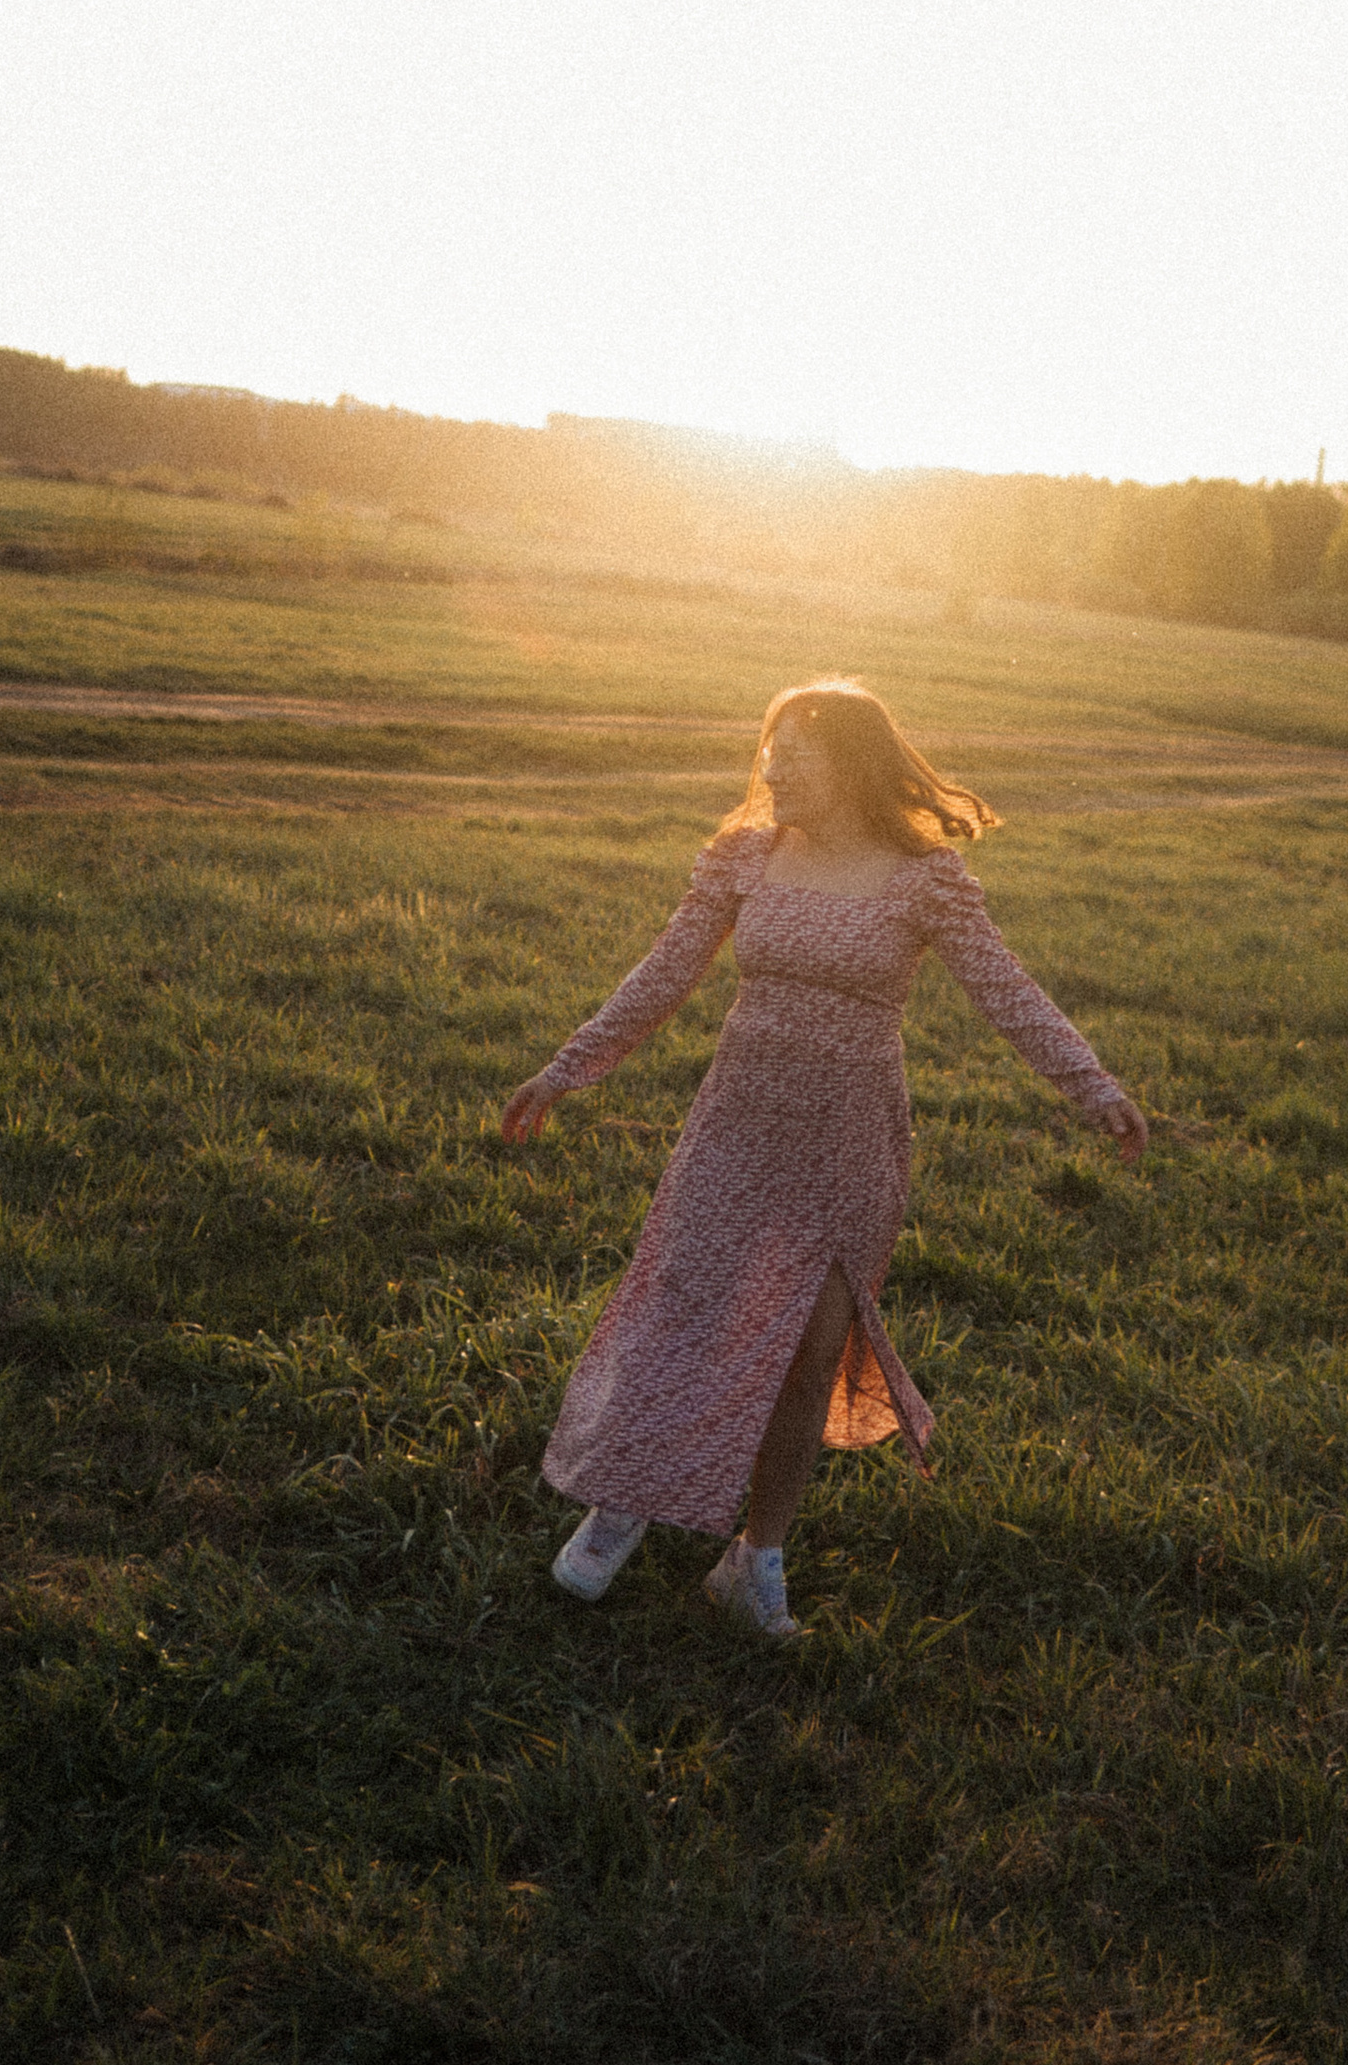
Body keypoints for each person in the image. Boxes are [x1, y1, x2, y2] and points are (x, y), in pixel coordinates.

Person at [500, 677, 1187, 1640]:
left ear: (853, 769)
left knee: (809, 1353)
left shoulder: (924, 880)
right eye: (769, 758)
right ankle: (625, 1501)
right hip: (737, 1124)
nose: (773, 774)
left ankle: (756, 1558)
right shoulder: (746, 857)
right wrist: (567, 1069)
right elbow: (664, 973)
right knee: (691, 1312)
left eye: (797, 762)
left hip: (849, 1142)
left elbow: (1009, 992)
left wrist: (1095, 1086)